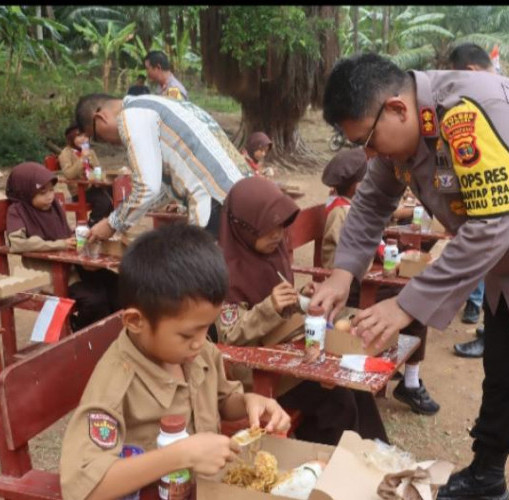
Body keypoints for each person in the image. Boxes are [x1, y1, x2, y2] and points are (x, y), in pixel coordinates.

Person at [312, 52, 509, 500]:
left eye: (368, 140)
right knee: (503, 382)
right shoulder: (399, 134)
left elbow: (490, 228)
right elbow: (369, 203)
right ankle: (485, 477)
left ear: (398, 109)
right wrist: (343, 273)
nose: (370, 155)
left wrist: (405, 304)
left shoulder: (472, 112)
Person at [59, 223, 291, 500]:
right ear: (135, 321)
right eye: (187, 333)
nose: (200, 341)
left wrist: (249, 403)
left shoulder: (198, 351)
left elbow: (221, 400)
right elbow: (83, 487)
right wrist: (179, 455)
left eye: (207, 328)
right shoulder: (116, 382)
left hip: (207, 488)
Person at [215, 176, 389, 444]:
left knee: (354, 385)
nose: (278, 235)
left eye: (282, 226)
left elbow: (278, 306)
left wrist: (298, 298)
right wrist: (270, 306)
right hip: (256, 369)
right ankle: (333, 469)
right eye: (268, 228)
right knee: (335, 400)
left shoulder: (269, 254)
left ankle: (376, 454)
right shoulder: (223, 272)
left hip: (284, 351)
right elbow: (230, 335)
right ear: (244, 226)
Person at [321, 147, 439, 415]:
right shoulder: (342, 213)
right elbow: (353, 255)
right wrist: (394, 259)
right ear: (357, 185)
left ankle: (406, 374)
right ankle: (409, 381)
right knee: (411, 301)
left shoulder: (346, 205)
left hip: (362, 278)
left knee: (411, 295)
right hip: (349, 288)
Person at [73, 92, 252, 242]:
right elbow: (160, 186)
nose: (108, 144)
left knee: (200, 276)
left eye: (98, 138)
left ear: (100, 117)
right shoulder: (160, 104)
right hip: (248, 193)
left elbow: (147, 187)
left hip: (216, 203)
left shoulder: (132, 115)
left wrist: (112, 224)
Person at [5, 162, 119, 330]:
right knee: (95, 299)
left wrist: (81, 237)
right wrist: (60, 244)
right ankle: (81, 334)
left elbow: (65, 233)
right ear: (26, 192)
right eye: (42, 193)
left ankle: (110, 334)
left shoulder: (54, 207)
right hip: (48, 273)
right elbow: (17, 243)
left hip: (70, 265)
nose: (50, 196)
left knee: (117, 284)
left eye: (51, 190)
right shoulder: (18, 210)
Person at [448, 42, 498, 358]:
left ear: (469, 72)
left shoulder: (490, 103)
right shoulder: (505, 94)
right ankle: (490, 332)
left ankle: (489, 334)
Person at [57, 123, 114, 227]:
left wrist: (98, 177)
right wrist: (82, 159)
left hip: (93, 186)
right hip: (80, 191)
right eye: (79, 136)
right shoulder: (65, 154)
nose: (84, 139)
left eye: (86, 136)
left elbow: (98, 169)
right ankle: (91, 225)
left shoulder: (90, 152)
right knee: (103, 201)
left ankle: (105, 225)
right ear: (71, 137)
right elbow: (69, 174)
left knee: (114, 192)